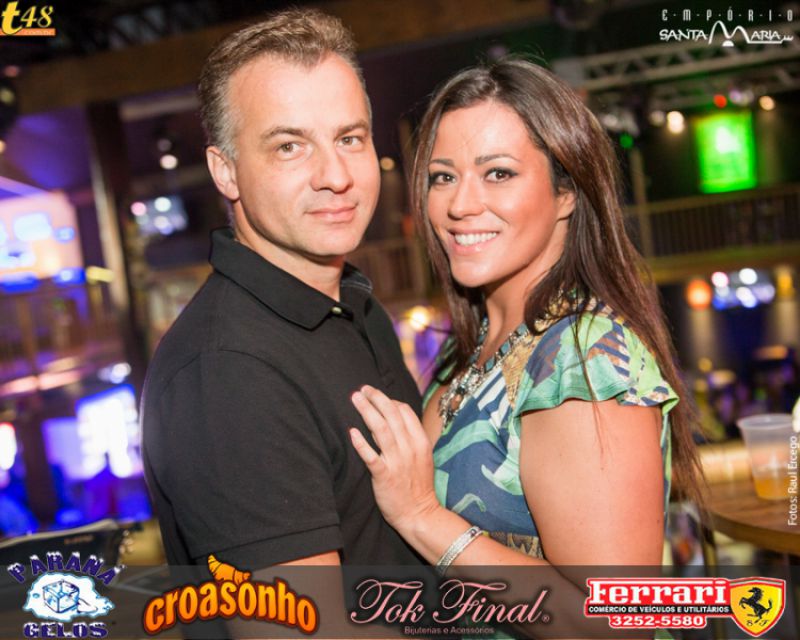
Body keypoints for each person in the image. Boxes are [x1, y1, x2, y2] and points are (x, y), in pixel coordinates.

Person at [350, 59, 702, 574]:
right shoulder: (474, 346)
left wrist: (421, 516)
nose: (460, 204)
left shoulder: (582, 363)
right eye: (443, 177)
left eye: (498, 173)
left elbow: (610, 614)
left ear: (566, 192)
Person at [141, 8, 422, 571]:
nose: (336, 175)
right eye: (290, 146)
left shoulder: (353, 305)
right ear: (225, 171)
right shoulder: (228, 370)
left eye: (349, 138)